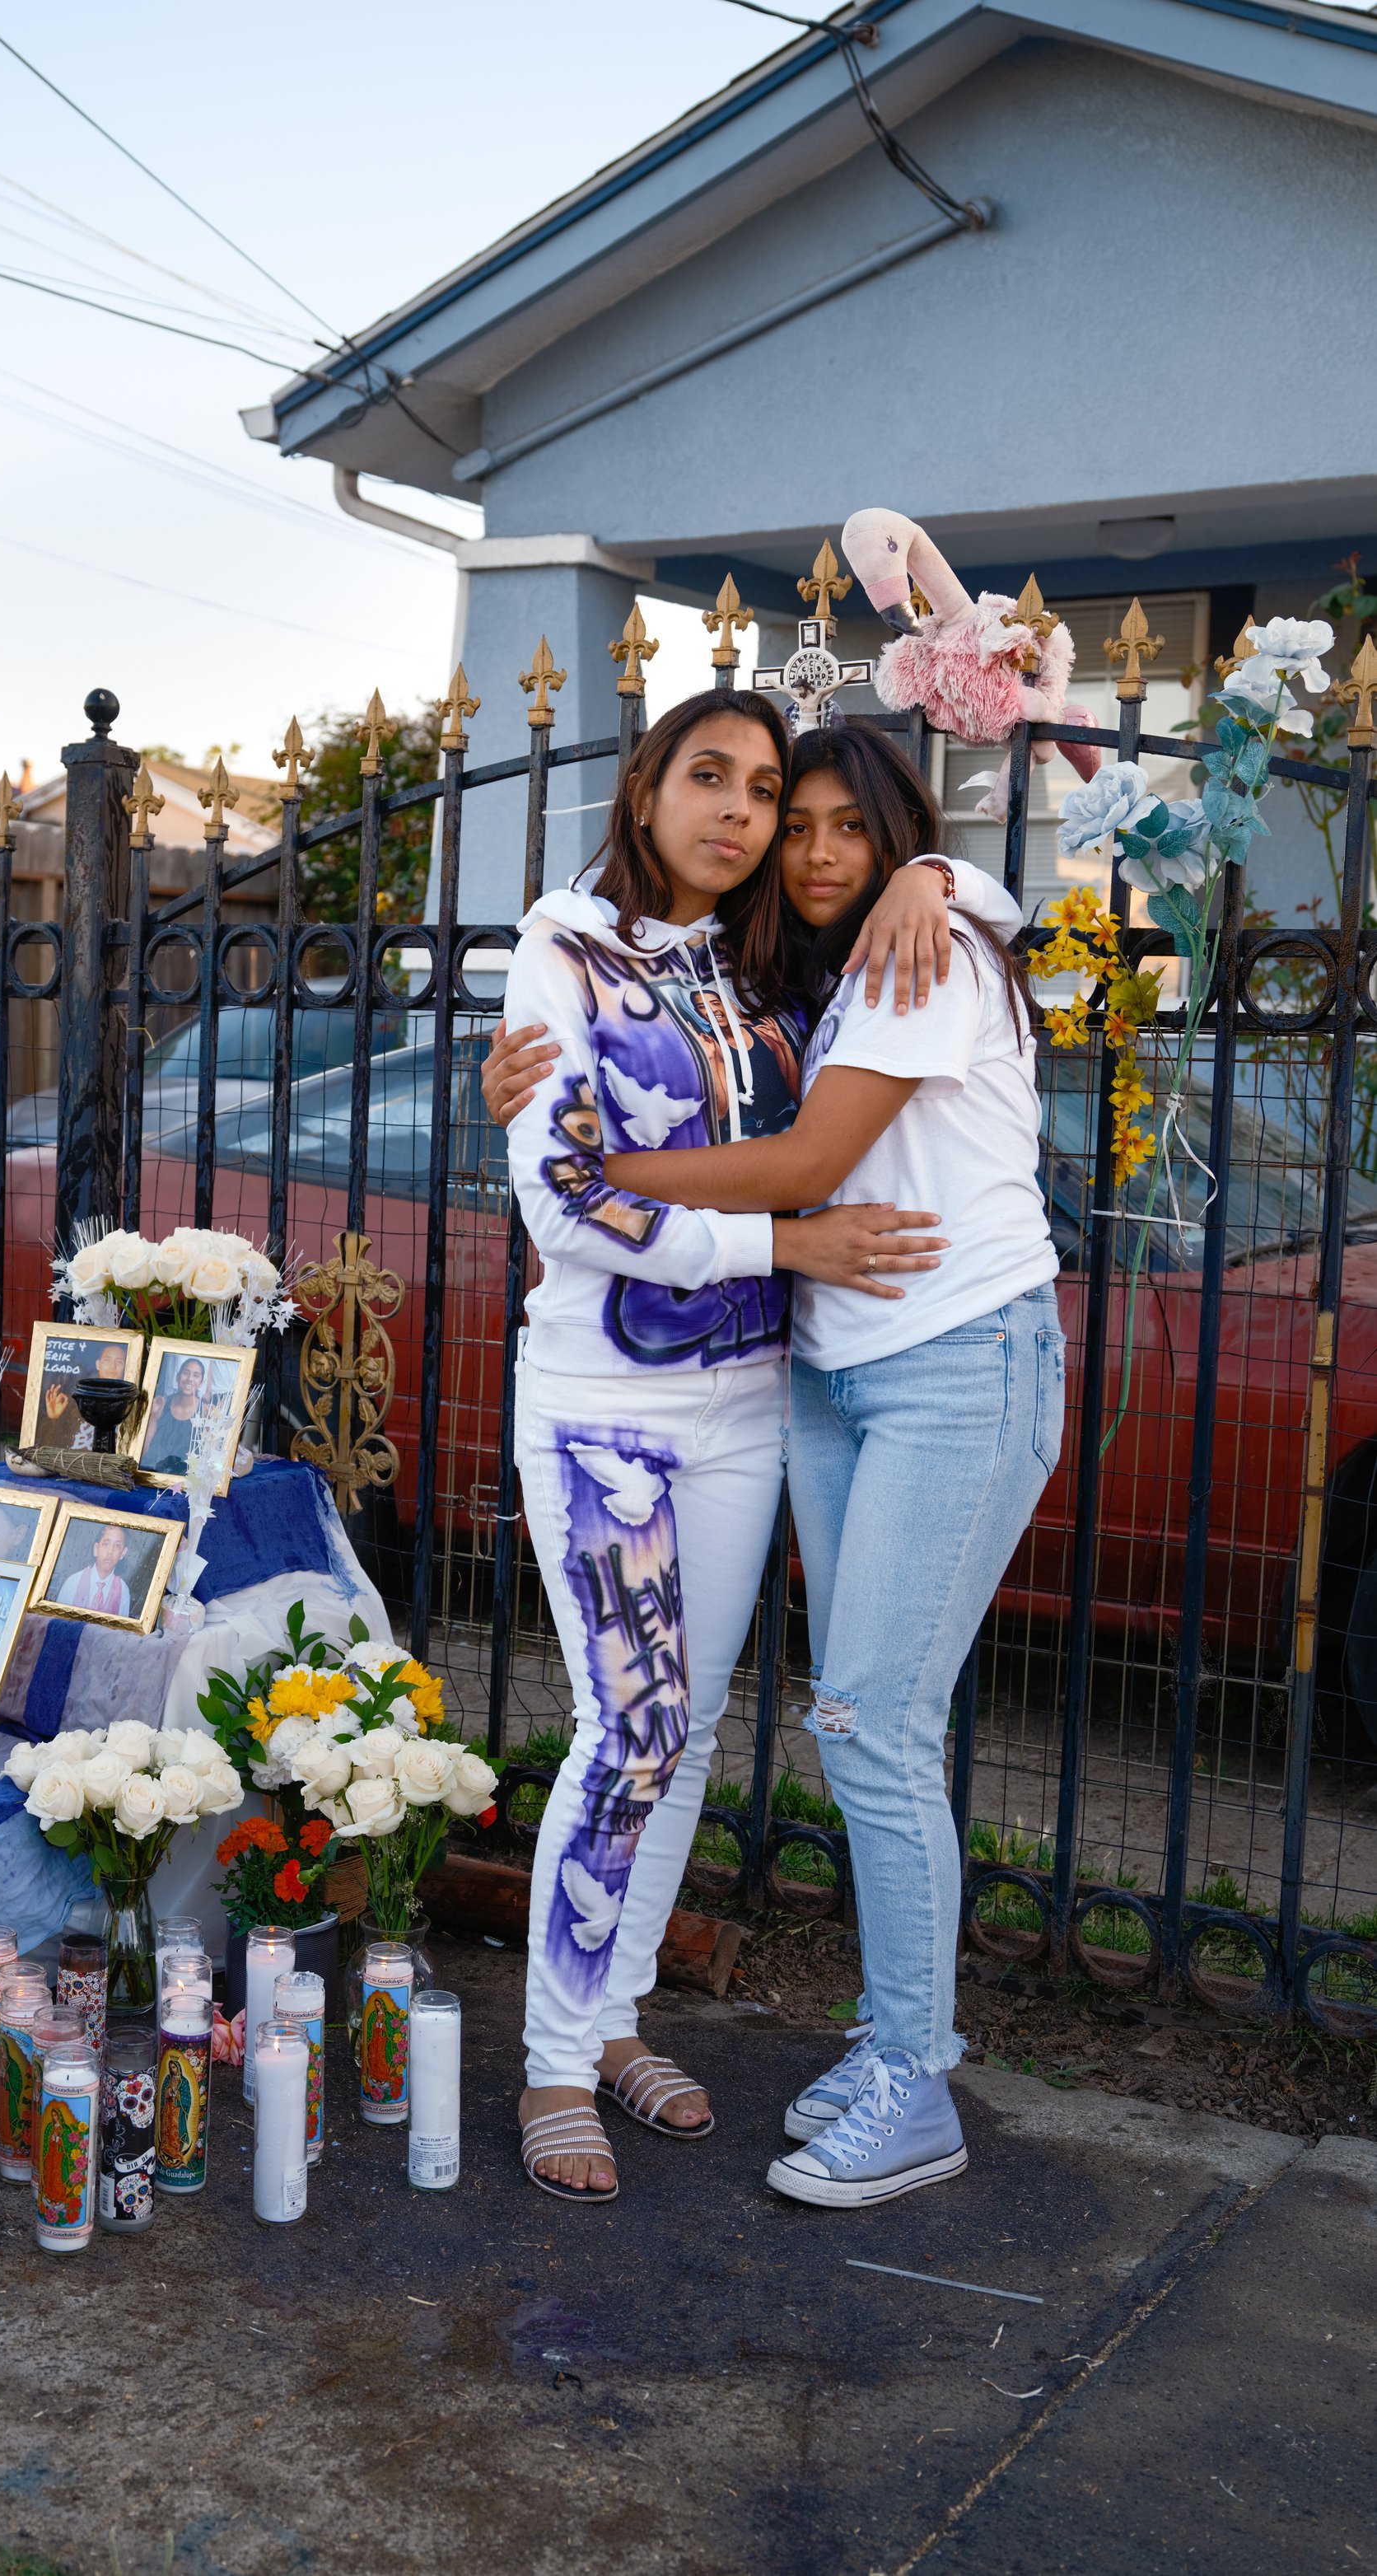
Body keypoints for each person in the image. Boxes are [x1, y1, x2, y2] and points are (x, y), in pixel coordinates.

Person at [485, 718, 1057, 2210]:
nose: (758, 824)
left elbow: (960, 925)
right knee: (631, 1726)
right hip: (610, 1400)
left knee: (687, 1732)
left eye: (783, 799)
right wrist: (777, 1239)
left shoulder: (777, 960)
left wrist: (936, 867)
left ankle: (611, 2024)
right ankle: (555, 2056)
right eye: (719, 785)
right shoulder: (564, 950)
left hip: (757, 1393)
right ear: (644, 793)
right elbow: (564, 1211)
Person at [139, 1355, 211, 1475]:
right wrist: (149, 1415)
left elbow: (208, 1458)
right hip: (151, 1472)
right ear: (178, 1377)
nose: (189, 1379)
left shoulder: (205, 1412)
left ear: (201, 1383)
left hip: (185, 1480)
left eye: (196, 1375)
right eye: (186, 1373)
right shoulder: (161, 1405)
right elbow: (144, 1449)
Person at [58, 1521, 136, 1616]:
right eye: (106, 1544)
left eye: (117, 1546)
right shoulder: (73, 1582)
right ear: (96, 1549)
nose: (110, 1551)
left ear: (123, 1553)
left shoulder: (123, 1591)